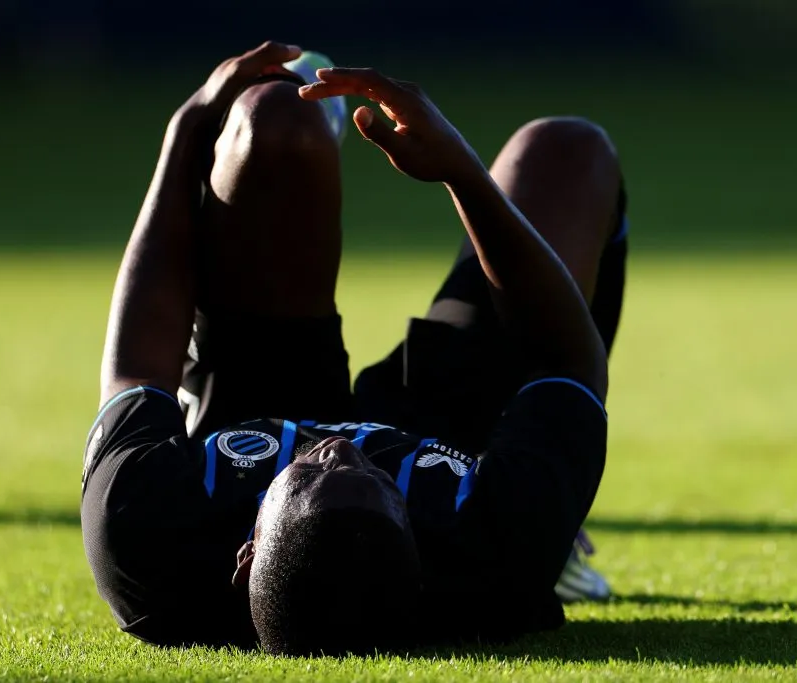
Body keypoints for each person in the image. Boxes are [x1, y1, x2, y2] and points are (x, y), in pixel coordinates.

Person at [80, 41, 629, 655]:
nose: (339, 446)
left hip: (248, 411)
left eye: (311, 474)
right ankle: (472, 488)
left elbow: (135, 366)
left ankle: (289, 126)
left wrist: (186, 132)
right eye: (373, 478)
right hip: (452, 446)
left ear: (248, 550)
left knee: (274, 118)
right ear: (417, 549)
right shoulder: (492, 540)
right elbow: (571, 360)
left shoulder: (149, 532)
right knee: (568, 152)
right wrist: (461, 173)